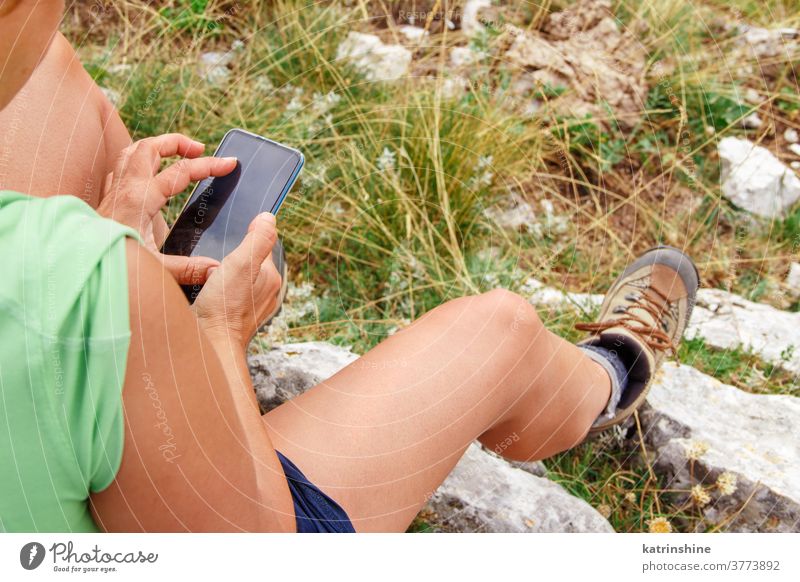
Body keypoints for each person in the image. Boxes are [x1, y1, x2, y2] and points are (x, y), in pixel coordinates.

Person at [0, 0, 699, 533]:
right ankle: (612, 373)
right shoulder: (77, 282)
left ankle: (151, 323)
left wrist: (109, 242)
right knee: (501, 327)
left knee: (45, 85)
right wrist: (214, 336)